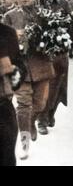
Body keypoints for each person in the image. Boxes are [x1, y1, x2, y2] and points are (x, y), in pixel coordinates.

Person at [4, 0, 55, 159]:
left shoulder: (44, 13)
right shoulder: (9, 17)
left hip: (41, 65)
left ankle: (31, 122)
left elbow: (53, 37)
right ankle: (24, 143)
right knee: (23, 106)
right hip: (20, 68)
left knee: (40, 104)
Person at [36, 0, 71, 135]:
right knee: (44, 85)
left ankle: (51, 112)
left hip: (60, 51)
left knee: (58, 85)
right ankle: (41, 119)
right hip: (41, 52)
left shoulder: (64, 3)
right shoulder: (35, 2)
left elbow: (70, 24)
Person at [0, 23, 23, 166]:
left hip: (2, 107)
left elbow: (19, 63)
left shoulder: (6, 33)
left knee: (6, 157)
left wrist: (14, 72)